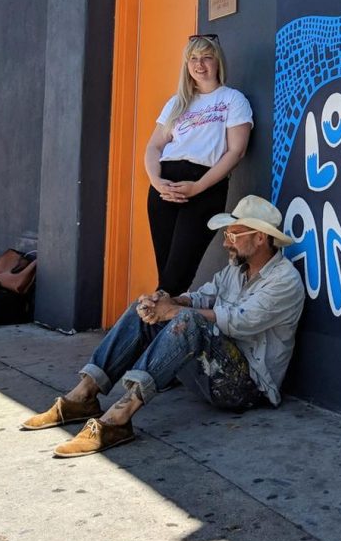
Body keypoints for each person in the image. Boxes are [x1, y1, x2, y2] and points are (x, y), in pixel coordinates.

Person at [20, 196, 304, 456]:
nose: (226, 243)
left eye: (233, 234)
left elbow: (240, 320)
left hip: (246, 387)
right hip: (210, 373)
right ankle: (83, 395)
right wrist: (166, 301)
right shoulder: (235, 270)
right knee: (144, 308)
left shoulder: (284, 281)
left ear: (261, 238)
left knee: (186, 319)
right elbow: (202, 295)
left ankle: (118, 419)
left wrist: (175, 311)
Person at [145, 33, 253, 296]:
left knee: (178, 271)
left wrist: (198, 187)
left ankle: (153, 324)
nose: (199, 64)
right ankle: (165, 326)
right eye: (193, 58)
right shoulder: (177, 102)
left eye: (206, 57)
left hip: (204, 185)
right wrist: (156, 181)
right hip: (165, 185)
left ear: (218, 62)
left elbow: (236, 152)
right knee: (168, 270)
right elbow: (153, 147)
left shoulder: (232, 99)